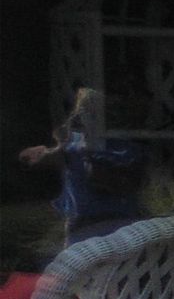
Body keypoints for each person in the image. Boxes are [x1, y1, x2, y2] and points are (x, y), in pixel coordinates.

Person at [15, 87, 143, 246]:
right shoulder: (74, 146)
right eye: (82, 110)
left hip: (113, 219)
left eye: (87, 111)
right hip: (90, 221)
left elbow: (124, 177)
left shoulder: (112, 146)